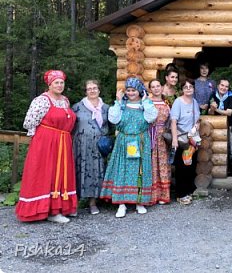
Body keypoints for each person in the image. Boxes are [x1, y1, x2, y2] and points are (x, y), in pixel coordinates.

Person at [16, 70, 77, 223]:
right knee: (46, 173)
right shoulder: (42, 100)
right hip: (46, 142)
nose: (59, 85)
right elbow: (29, 122)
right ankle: (47, 211)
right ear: (49, 84)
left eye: (61, 82)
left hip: (63, 141)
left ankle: (61, 208)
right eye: (56, 82)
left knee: (61, 173)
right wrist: (42, 139)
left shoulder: (65, 101)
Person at [100, 77, 158, 217]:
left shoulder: (145, 104)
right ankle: (121, 203)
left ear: (139, 91)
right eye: (129, 90)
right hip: (124, 141)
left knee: (140, 170)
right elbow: (113, 119)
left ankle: (140, 202)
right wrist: (118, 101)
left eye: (134, 90)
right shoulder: (121, 105)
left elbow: (151, 117)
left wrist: (145, 101)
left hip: (140, 140)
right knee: (122, 170)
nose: (131, 93)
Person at [71, 80, 110, 215]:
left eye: (95, 88)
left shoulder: (106, 108)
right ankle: (74, 203)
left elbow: (111, 127)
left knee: (95, 172)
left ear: (99, 90)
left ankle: (93, 203)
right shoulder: (77, 107)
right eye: (89, 89)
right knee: (79, 171)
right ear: (86, 91)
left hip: (98, 147)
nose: (92, 90)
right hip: (81, 146)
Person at [171, 78, 201, 205]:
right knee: (182, 167)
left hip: (192, 139)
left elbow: (198, 119)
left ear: (194, 88)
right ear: (182, 89)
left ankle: (188, 190)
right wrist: (174, 140)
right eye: (185, 87)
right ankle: (180, 194)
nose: (188, 89)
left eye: (190, 87)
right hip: (182, 139)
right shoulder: (178, 102)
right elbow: (173, 121)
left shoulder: (194, 102)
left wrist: (196, 127)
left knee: (191, 166)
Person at [208, 79, 232, 176]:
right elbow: (210, 113)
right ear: (218, 85)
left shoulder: (231, 96)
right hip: (220, 125)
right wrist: (211, 108)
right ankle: (221, 170)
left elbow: (229, 112)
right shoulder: (213, 95)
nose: (224, 88)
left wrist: (216, 109)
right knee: (220, 147)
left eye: (226, 86)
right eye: (222, 85)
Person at [149, 79, 172, 204]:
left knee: (163, 164)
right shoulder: (146, 102)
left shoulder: (166, 102)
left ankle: (163, 195)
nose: (156, 88)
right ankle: (152, 195)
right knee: (152, 164)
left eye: (158, 86)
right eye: (153, 87)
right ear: (150, 89)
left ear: (161, 87)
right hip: (150, 134)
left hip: (163, 136)